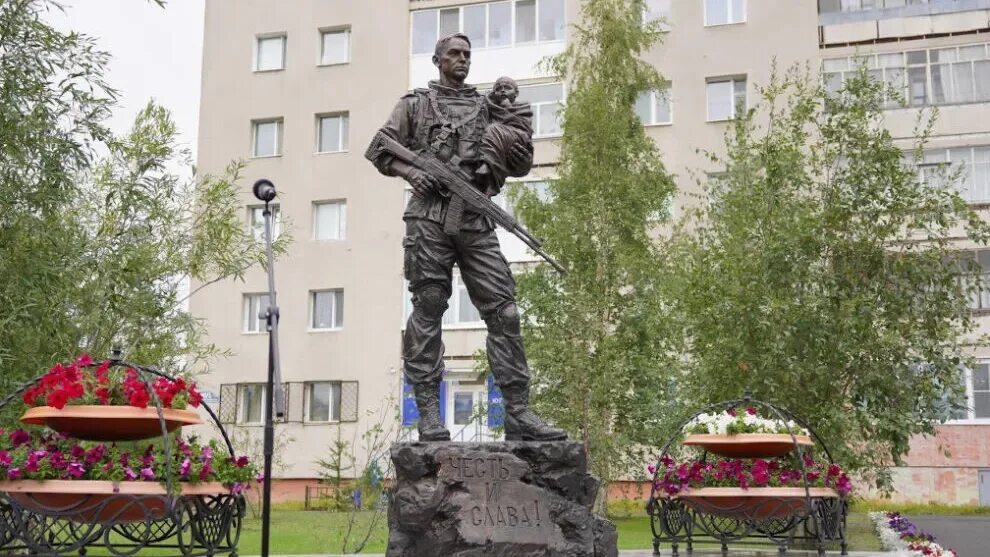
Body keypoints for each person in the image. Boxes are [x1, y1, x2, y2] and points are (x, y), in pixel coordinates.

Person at [367, 33, 565, 442]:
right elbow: (380, 149)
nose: (462, 60)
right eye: (454, 53)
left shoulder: (485, 108)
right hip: (427, 219)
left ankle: (519, 412)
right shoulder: (415, 105)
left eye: (467, 55)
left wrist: (512, 123)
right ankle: (428, 416)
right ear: (437, 59)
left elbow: (517, 160)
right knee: (430, 306)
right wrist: (413, 173)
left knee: (505, 312)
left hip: (474, 217)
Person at [476, 76, 534, 194]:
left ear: (516, 93)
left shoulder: (521, 107)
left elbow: (522, 125)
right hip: (498, 140)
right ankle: (489, 172)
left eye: (507, 88)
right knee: (492, 131)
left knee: (492, 130)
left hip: (517, 136)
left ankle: (488, 168)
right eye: (498, 89)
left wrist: (524, 164)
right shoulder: (487, 109)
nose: (502, 91)